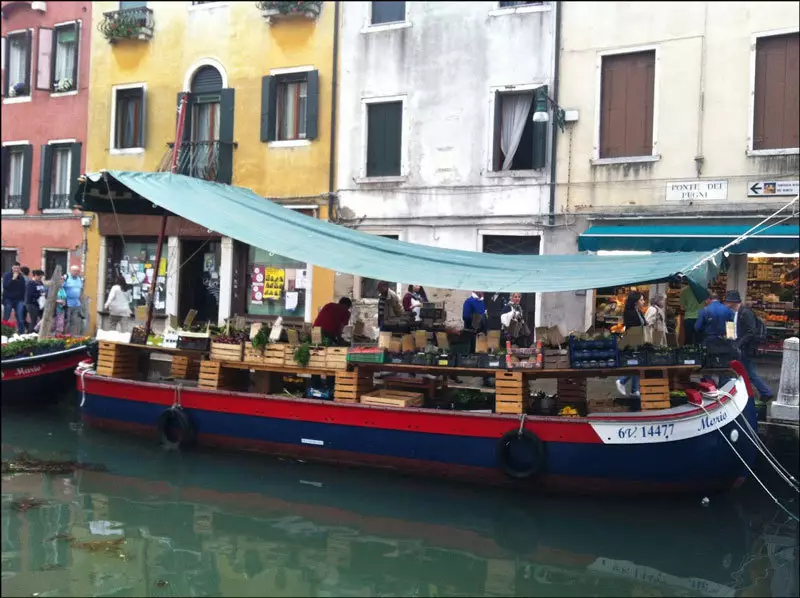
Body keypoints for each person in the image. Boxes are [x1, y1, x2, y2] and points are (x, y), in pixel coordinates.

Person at [724, 290, 773, 400]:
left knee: (749, 372)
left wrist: (738, 344)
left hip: (746, 348)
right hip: (739, 347)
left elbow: (751, 331)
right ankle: (752, 392)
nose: (725, 303)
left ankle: (766, 392)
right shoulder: (734, 313)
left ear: (733, 302)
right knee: (743, 371)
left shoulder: (746, 313)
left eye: (727, 301)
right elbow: (733, 328)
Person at [616, 291, 646, 397]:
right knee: (636, 363)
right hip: (633, 340)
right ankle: (622, 381)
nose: (643, 301)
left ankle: (634, 389)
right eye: (641, 300)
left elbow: (643, 324)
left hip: (638, 340)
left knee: (637, 363)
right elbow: (631, 327)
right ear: (635, 301)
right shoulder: (630, 312)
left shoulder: (638, 311)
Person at [2, 262, 27, 334]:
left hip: (19, 300)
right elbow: (6, 286)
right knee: (6, 317)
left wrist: (23, 300)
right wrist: (13, 279)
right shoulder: (7, 275)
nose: (16, 270)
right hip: (8, 299)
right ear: (12, 268)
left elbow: (23, 289)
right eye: (15, 268)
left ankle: (21, 334)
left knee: (20, 318)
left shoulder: (21, 277)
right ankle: (3, 332)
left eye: (17, 268)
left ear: (19, 269)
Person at [63, 265, 84, 336]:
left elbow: (81, 290)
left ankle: (71, 336)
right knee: (67, 321)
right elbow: (60, 288)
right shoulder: (66, 277)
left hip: (77, 303)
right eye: (75, 271)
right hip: (67, 303)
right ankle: (64, 336)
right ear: (71, 271)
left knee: (75, 322)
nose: (77, 272)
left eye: (78, 271)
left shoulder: (79, 279)